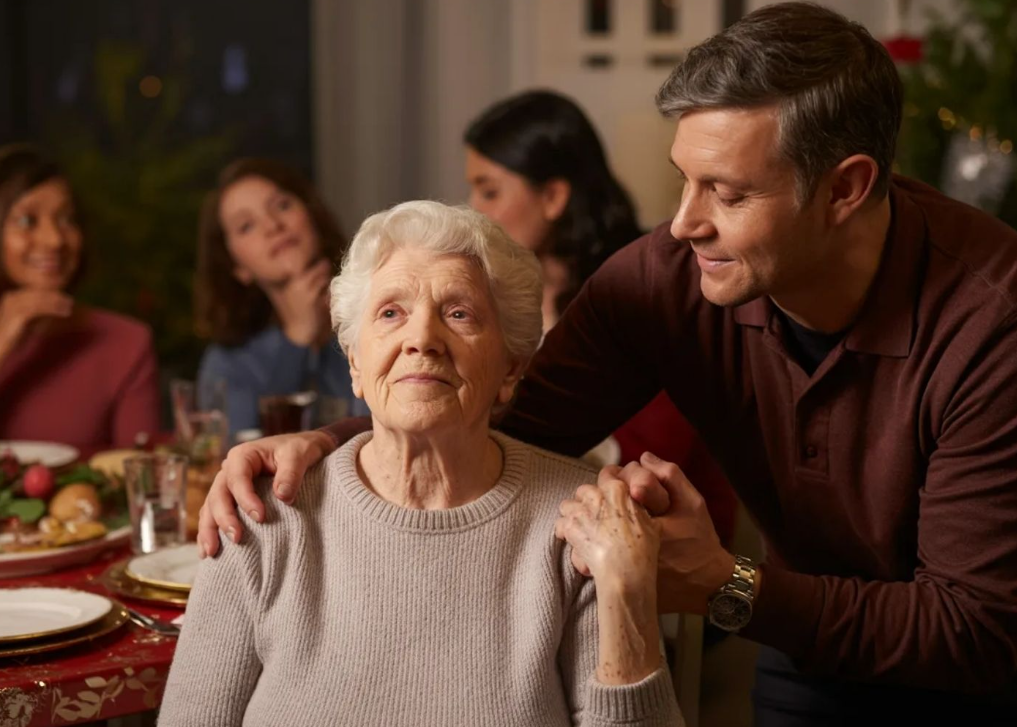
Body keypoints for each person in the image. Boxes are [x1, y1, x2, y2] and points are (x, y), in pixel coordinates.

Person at [199, 3, 1017, 723]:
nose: (683, 222)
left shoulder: (1000, 318)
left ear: (845, 189)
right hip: (804, 643)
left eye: (727, 193)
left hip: (986, 674)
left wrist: (730, 584)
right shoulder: (670, 276)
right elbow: (508, 413)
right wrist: (331, 443)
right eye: (685, 179)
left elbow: (972, 629)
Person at [159, 201, 681, 726]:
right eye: (391, 313)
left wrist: (628, 591)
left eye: (459, 314)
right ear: (355, 363)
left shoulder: (583, 524)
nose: (422, 339)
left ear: (511, 368)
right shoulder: (260, 513)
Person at [465, 90, 737, 546]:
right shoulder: (503, 293)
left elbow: (655, 452)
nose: (474, 209)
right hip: (555, 517)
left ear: (553, 195)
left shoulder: (643, 290)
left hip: (665, 535)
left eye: (489, 190)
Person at [0, 144, 159, 451]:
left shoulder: (127, 343)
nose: (55, 240)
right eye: (27, 221)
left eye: (66, 219)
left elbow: (143, 479)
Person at [194, 158, 369, 434]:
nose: (273, 226)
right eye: (246, 226)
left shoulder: (379, 311)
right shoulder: (228, 363)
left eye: (282, 206)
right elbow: (243, 456)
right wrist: (297, 339)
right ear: (237, 267)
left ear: (311, 216)